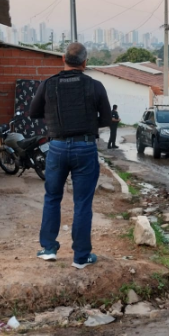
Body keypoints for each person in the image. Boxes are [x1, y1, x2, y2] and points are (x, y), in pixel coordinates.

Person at [29, 42, 112, 269]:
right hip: (85, 148)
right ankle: (81, 257)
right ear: (85, 63)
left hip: (56, 147)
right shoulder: (95, 86)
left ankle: (48, 249)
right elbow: (105, 119)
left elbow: (33, 112)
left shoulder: (48, 85)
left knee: (52, 197)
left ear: (63, 60)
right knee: (82, 203)